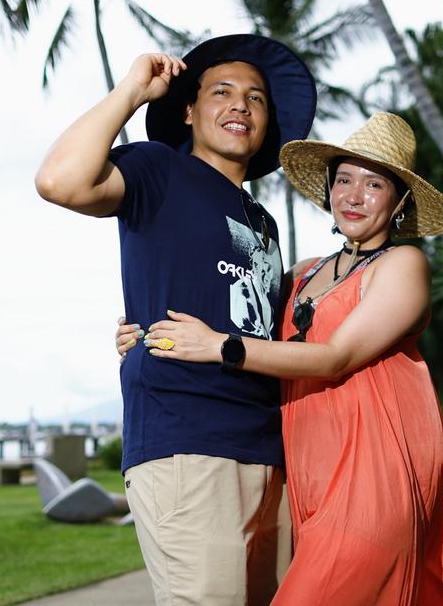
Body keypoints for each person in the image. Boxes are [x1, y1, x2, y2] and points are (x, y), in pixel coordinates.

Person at [128, 112, 443, 605]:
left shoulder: (404, 265)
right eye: (344, 180)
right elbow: (239, 315)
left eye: (374, 184)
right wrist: (145, 332)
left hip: (374, 475)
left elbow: (334, 356)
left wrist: (217, 347)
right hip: (309, 479)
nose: (354, 196)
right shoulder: (304, 272)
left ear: (399, 202)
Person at [35, 34, 317, 605]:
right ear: (189, 110)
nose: (240, 105)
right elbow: (59, 181)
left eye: (256, 98)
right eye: (222, 92)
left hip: (268, 450)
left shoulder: (262, 222)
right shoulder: (157, 168)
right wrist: (134, 89)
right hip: (186, 441)